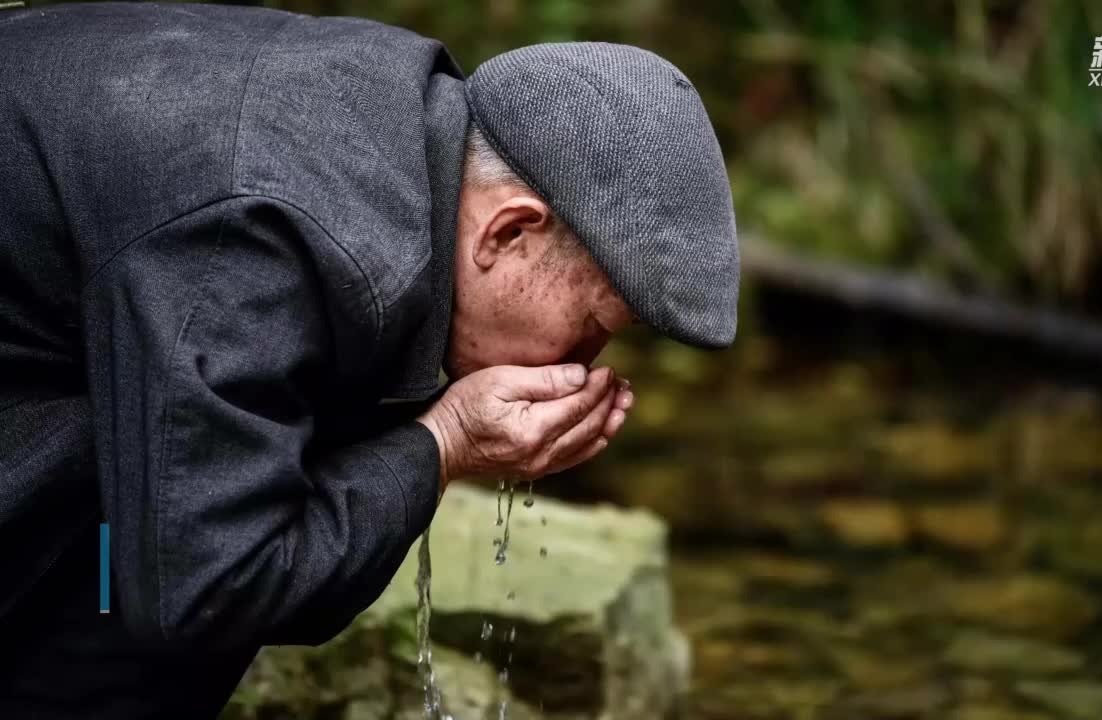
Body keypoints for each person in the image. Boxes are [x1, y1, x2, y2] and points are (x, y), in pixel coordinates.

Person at [0, 2, 738, 718]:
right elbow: (208, 589)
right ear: (509, 231)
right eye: (595, 321)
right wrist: (442, 445)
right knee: (175, 552)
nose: (583, 363)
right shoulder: (263, 244)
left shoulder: (396, 126)